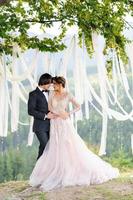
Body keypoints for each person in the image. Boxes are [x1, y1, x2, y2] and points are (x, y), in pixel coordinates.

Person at [29, 76, 119, 191]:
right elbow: (50, 106)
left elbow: (78, 106)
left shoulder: (68, 94)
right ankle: (53, 171)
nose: (53, 86)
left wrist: (68, 113)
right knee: (55, 146)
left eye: (55, 84)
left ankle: (70, 170)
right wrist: (56, 113)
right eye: (52, 84)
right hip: (55, 123)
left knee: (69, 145)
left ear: (60, 84)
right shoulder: (52, 93)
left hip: (65, 123)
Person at [28, 73, 56, 160]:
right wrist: (45, 116)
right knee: (47, 146)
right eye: (49, 83)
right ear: (44, 82)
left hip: (51, 125)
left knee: (44, 148)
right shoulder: (33, 94)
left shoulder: (50, 92)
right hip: (40, 127)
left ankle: (38, 169)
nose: (50, 85)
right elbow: (30, 111)